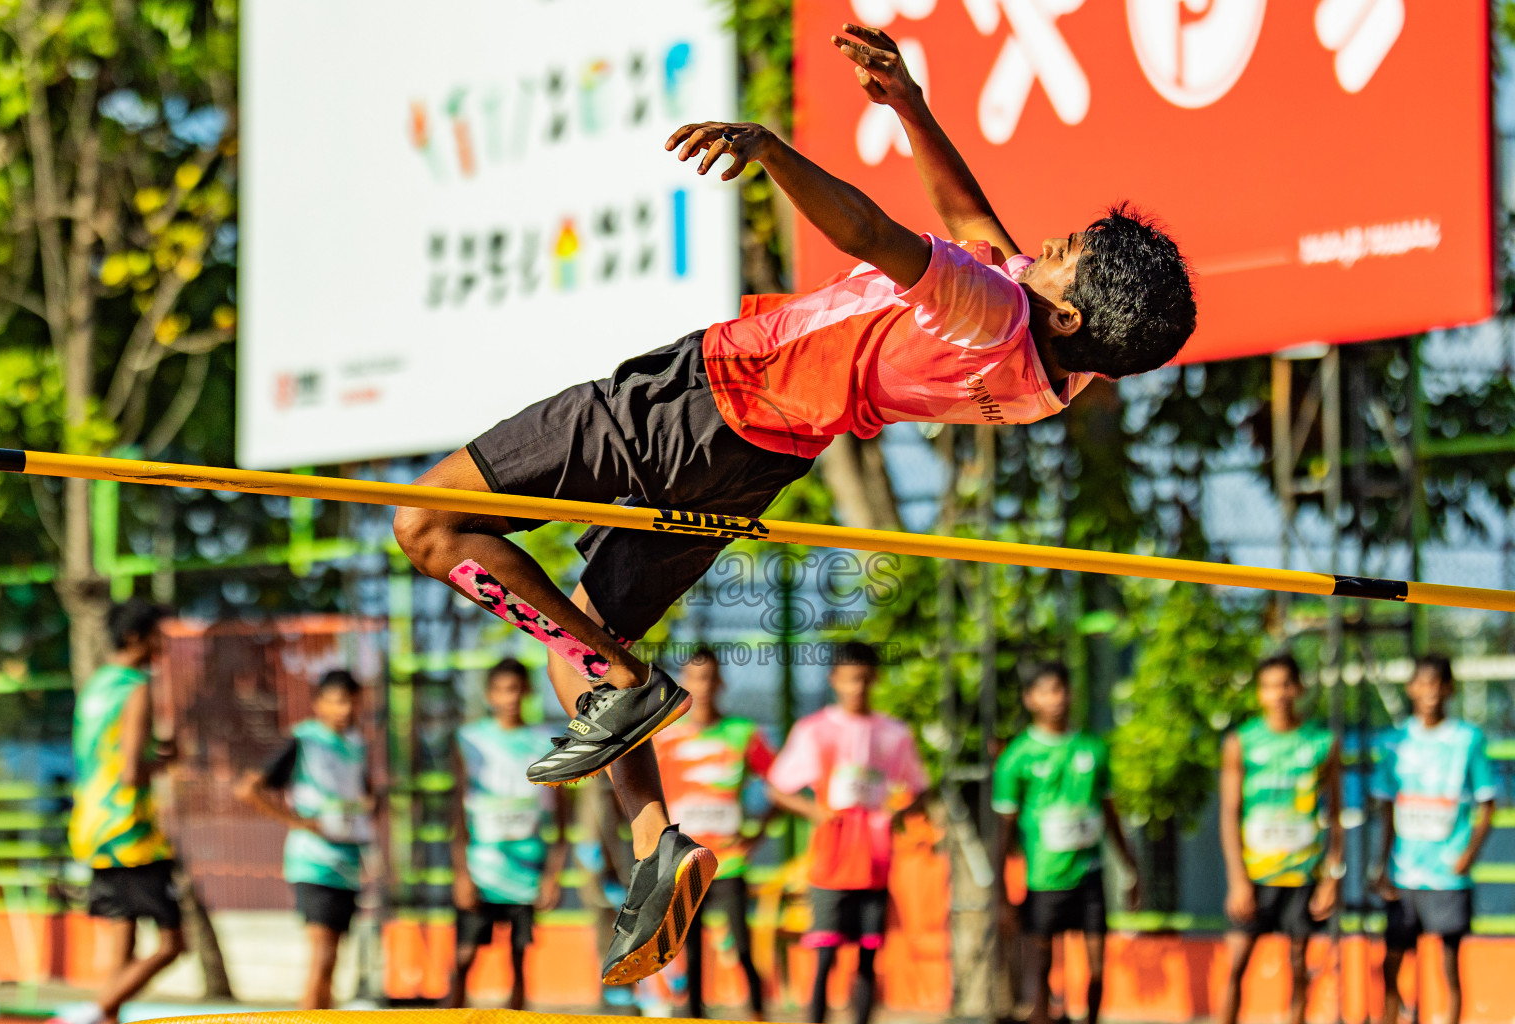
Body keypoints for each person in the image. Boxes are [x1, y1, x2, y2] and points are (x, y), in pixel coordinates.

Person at [389, 14, 1195, 982]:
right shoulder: (1052, 376)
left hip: (700, 400)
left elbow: (875, 233)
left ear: (1061, 309)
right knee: (582, 654)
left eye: (1060, 251)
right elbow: (980, 227)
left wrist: (771, 151)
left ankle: (631, 685)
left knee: (429, 518)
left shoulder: (992, 313)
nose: (1042, 246)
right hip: (762, 458)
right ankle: (658, 845)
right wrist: (910, 105)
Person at [767, 642, 929, 1024]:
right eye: (850, 679)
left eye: (865, 680)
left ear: (875, 679)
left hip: (875, 861)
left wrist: (896, 812)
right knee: (826, 954)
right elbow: (777, 786)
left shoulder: (893, 734)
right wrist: (815, 811)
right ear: (835, 679)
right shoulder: (815, 731)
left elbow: (919, 789)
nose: (858, 688)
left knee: (868, 958)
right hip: (830, 860)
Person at [993, 664, 1141, 1024]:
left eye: (1060, 689)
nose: (1055, 699)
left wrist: (1130, 866)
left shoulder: (1092, 748)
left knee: (1097, 967)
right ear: (1030, 699)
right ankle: (1040, 1016)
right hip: (1044, 880)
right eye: (1045, 691)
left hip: (1089, 876)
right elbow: (1004, 832)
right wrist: (1000, 895)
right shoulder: (1018, 756)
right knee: (1040, 966)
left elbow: (1110, 814)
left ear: (1071, 693)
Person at [61, 599, 183, 1024]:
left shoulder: (97, 685)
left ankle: (102, 1017)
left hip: (92, 826)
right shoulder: (136, 684)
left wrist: (154, 751)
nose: (161, 642)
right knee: (172, 943)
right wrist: (166, 760)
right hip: (130, 832)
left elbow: (106, 754)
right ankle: (88, 1013)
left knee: (122, 942)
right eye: (156, 634)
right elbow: (131, 772)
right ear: (136, 637)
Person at [236, 669, 373, 1011]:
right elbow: (247, 789)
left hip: (349, 862)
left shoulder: (356, 744)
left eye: (351, 702)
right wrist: (298, 823)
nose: (345, 710)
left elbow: (363, 796)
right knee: (322, 957)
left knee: (334, 960)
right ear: (319, 704)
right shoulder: (304, 740)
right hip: (314, 862)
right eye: (338, 701)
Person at [652, 649, 777, 1019]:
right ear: (682, 682)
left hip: (729, 863)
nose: (702, 686)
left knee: (741, 948)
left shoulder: (743, 733)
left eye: (709, 678)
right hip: (681, 863)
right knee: (686, 951)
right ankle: (692, 1016)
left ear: (721, 682)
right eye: (695, 677)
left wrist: (757, 836)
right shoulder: (662, 737)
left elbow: (781, 785)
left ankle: (757, 1013)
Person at [1371, 655, 1496, 1024]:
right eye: (1423, 682)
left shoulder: (1467, 739)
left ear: (1450, 688)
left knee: (1449, 964)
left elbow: (1488, 803)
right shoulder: (1395, 741)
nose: (1431, 691)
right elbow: (1387, 808)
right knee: (1392, 960)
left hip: (1447, 874)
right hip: (1404, 872)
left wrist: (1468, 854)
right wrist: (1382, 865)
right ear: (1411, 688)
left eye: (1438, 683)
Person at [1218, 654, 1342, 1024]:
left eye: (1286, 684)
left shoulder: (1322, 742)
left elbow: (1335, 816)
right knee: (1236, 964)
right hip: (1256, 875)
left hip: (1303, 875)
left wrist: (1331, 878)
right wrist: (1238, 879)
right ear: (1260, 693)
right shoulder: (1242, 742)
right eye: (1270, 685)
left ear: (1299, 688)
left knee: (1299, 966)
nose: (1279, 693)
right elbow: (1229, 813)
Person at [448, 658, 571, 1010]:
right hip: (481, 868)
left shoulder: (547, 742)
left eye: (516, 688)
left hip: (526, 870)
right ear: (489, 694)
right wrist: (461, 873)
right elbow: (457, 815)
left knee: (519, 961)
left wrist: (552, 876)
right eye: (501, 689)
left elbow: (561, 821)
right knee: (464, 958)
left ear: (528, 691)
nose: (509, 697)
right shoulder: (470, 740)